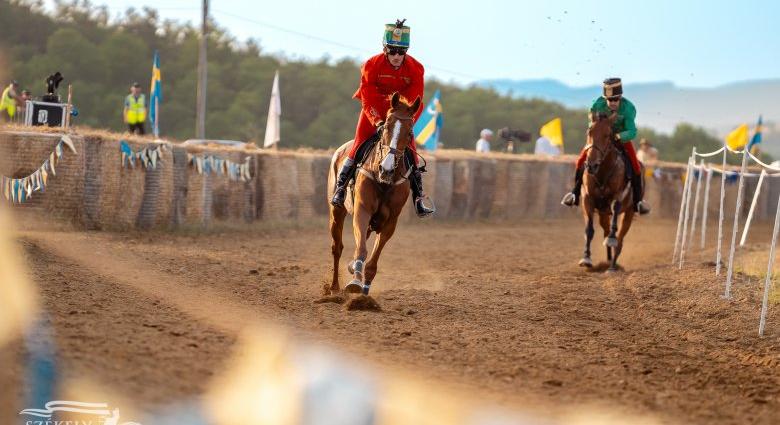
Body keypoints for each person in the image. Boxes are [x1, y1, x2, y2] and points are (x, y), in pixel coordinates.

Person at [330, 19, 434, 218]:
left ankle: (419, 197)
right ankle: (341, 188)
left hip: (401, 116)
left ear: (407, 52)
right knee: (358, 144)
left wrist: (407, 124)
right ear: (385, 48)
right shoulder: (371, 64)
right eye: (392, 50)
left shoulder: (416, 69)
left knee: (411, 151)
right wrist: (377, 120)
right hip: (374, 112)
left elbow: (415, 102)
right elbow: (367, 96)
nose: (396, 56)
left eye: (401, 52)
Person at [561, 78, 651, 215]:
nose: (612, 103)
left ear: (620, 97)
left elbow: (632, 131)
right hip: (600, 139)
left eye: (615, 99)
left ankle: (638, 202)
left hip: (621, 138)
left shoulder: (629, 108)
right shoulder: (596, 105)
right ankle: (574, 194)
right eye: (609, 100)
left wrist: (618, 136)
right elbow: (591, 125)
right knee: (580, 161)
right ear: (605, 99)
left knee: (636, 166)